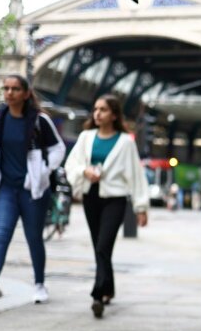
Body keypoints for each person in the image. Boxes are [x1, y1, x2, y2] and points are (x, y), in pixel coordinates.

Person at [0, 75, 66, 312]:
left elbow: (58, 148)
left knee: (34, 238)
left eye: (15, 89)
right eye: (6, 88)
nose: (9, 93)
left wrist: (44, 169)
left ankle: (40, 284)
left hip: (33, 190)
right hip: (5, 189)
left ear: (26, 93)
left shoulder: (39, 121)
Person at [64, 94, 149, 318]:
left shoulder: (125, 142)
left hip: (115, 199)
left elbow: (136, 175)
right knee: (100, 247)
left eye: (102, 109)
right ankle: (109, 287)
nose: (97, 114)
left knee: (103, 245)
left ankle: (97, 294)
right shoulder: (85, 137)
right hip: (91, 196)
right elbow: (71, 163)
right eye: (95, 109)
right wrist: (84, 171)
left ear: (114, 114)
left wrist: (141, 207)